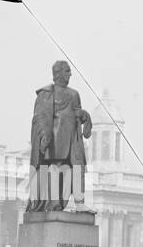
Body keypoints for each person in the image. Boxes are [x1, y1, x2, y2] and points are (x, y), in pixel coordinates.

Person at [27, 59, 93, 212]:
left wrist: (84, 115)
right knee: (56, 168)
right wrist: (44, 134)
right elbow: (40, 116)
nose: (70, 74)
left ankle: (80, 202)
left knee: (77, 168)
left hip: (73, 139)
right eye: (67, 71)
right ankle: (54, 204)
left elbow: (77, 112)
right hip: (56, 139)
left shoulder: (74, 94)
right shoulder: (46, 94)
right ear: (59, 74)